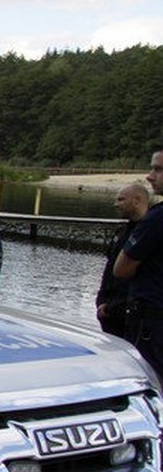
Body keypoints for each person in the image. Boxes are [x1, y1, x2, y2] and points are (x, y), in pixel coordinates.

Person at [113, 151, 163, 376]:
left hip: (151, 320)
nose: (150, 176)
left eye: (158, 170)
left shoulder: (156, 219)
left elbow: (121, 269)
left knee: (146, 379)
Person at [96, 183, 150, 337]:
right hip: (110, 308)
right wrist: (101, 300)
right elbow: (109, 267)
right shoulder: (123, 232)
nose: (116, 204)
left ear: (137, 200)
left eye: (121, 200)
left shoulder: (149, 232)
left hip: (133, 311)